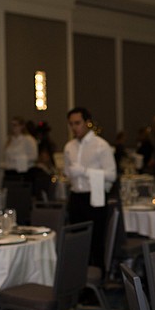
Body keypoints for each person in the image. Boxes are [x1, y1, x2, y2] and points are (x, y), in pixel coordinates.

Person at [63, 107, 117, 271]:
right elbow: (67, 172)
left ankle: (97, 280)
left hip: (95, 198)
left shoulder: (101, 145)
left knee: (96, 242)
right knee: (78, 241)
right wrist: (70, 173)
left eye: (77, 123)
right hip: (76, 197)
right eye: (71, 124)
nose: (74, 127)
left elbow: (112, 175)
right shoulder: (69, 146)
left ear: (87, 123)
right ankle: (79, 282)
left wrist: (85, 172)